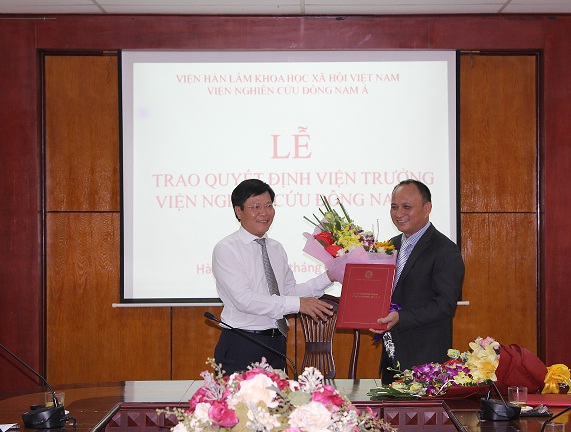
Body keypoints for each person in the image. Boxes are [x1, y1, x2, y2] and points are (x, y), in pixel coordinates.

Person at [212, 179, 335, 375]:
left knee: (278, 396)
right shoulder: (227, 249)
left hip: (276, 343)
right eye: (256, 207)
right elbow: (245, 300)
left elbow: (289, 291)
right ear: (238, 211)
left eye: (269, 206)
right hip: (242, 343)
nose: (264, 212)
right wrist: (298, 304)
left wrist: (330, 276)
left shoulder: (276, 248)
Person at [370, 179, 465, 384]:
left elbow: (445, 305)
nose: (398, 213)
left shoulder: (445, 250)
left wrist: (400, 317)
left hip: (425, 363)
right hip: (391, 360)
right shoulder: (390, 246)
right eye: (394, 207)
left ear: (427, 208)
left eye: (406, 207)